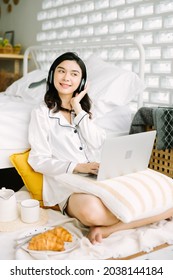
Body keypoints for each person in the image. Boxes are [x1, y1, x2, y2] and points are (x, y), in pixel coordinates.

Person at [28, 52, 173, 244]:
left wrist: (78, 108)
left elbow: (98, 142)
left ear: (81, 81)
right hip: (66, 183)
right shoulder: (41, 113)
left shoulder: (85, 110)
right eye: (61, 71)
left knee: (160, 192)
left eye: (74, 74)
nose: (66, 78)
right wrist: (77, 167)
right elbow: (38, 160)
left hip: (98, 174)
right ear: (53, 74)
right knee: (92, 211)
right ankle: (147, 217)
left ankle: (112, 227)